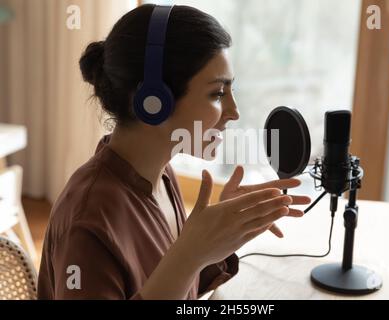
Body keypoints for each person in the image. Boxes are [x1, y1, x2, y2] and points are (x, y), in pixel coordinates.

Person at [37, 4, 311, 300]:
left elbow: (178, 289)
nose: (234, 112)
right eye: (218, 93)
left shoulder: (162, 175)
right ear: (152, 101)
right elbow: (176, 273)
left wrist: (217, 238)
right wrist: (189, 255)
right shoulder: (88, 221)